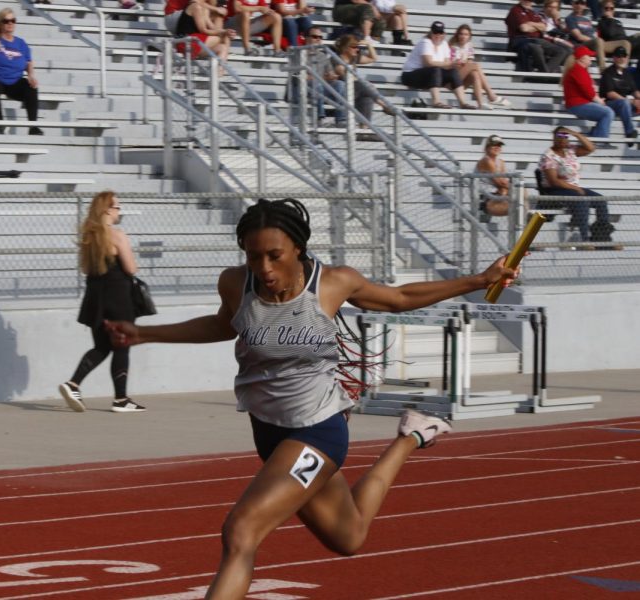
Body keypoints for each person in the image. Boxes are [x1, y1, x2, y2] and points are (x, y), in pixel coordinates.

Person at [104, 197, 518, 598]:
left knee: (241, 531)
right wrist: (145, 333)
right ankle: (412, 435)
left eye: (274, 255)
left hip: (317, 433)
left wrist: (479, 281)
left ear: (297, 248)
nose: (264, 268)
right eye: (253, 257)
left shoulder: (332, 283)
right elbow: (221, 325)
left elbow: (400, 299)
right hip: (269, 435)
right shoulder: (236, 283)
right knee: (349, 536)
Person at [58, 191, 146, 414]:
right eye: (117, 206)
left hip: (95, 298)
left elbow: (87, 269)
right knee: (122, 345)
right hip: (119, 297)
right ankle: (121, 399)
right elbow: (131, 268)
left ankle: (73, 384)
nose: (119, 211)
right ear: (107, 209)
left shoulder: (90, 237)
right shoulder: (116, 235)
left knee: (102, 346)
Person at [538, 126, 614, 243]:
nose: (563, 139)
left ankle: (603, 237)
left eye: (565, 136)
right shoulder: (548, 156)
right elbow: (554, 181)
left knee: (601, 200)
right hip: (556, 189)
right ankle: (585, 239)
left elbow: (591, 148)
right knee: (581, 201)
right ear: (554, 138)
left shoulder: (570, 150)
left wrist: (576, 134)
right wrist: (575, 188)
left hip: (573, 187)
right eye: (559, 136)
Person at [400, 21, 476, 109]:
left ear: (444, 33)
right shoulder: (425, 42)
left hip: (428, 76)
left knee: (452, 72)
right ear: (431, 33)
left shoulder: (443, 44)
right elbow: (428, 63)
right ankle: (436, 102)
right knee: (435, 69)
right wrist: (448, 64)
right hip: (409, 75)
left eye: (440, 32)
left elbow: (447, 65)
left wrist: (452, 64)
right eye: (435, 32)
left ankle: (463, 103)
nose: (438, 35)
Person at [332, 33, 392, 125]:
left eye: (358, 47)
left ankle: (364, 129)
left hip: (355, 90)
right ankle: (383, 105)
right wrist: (365, 84)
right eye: (354, 47)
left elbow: (373, 58)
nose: (357, 49)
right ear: (345, 48)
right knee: (364, 86)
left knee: (367, 97)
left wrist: (368, 44)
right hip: (342, 92)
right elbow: (345, 77)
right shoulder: (336, 59)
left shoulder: (354, 58)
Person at [449, 24, 512, 109]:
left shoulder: (469, 46)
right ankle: (491, 95)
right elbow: (453, 66)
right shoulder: (453, 47)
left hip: (462, 79)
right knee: (476, 65)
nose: (463, 36)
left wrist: (465, 63)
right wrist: (464, 63)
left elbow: (469, 62)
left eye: (466, 34)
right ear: (457, 35)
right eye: (461, 34)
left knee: (475, 73)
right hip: (453, 78)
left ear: (469, 36)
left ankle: (480, 103)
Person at [563, 46, 615, 138]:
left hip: (579, 103)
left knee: (607, 112)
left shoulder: (579, 69)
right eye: (589, 56)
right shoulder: (577, 70)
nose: (591, 57)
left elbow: (587, 90)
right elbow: (587, 90)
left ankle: (594, 135)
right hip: (577, 105)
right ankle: (600, 140)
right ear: (582, 58)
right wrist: (599, 101)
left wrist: (598, 100)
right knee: (608, 112)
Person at [505, 0, 569, 74]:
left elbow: (544, 27)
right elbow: (524, 28)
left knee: (561, 51)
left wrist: (531, 23)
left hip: (537, 39)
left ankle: (545, 73)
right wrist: (537, 27)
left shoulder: (532, 13)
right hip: (521, 40)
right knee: (536, 48)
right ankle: (545, 74)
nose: (529, 1)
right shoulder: (515, 10)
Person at [565, 0, 630, 71]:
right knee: (599, 41)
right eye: (577, 3)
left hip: (596, 43)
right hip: (583, 44)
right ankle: (603, 70)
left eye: (582, 3)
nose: (579, 5)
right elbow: (579, 36)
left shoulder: (587, 19)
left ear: (585, 5)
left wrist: (597, 40)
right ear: (572, 4)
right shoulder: (570, 18)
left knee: (625, 43)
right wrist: (595, 40)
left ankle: (624, 70)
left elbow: (595, 33)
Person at [170, 0, 236, 67]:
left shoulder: (205, 10)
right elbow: (203, 30)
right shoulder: (196, 6)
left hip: (195, 42)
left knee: (223, 47)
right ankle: (217, 69)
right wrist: (223, 31)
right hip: (185, 42)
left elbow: (214, 29)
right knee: (223, 36)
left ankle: (219, 73)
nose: (217, 3)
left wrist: (226, 31)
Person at [599, 46, 640, 146]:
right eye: (619, 56)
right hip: (610, 103)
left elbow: (634, 91)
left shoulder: (627, 73)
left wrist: (638, 99)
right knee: (624, 102)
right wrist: (631, 101)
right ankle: (629, 132)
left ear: (627, 58)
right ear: (614, 58)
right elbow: (610, 93)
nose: (621, 58)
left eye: (624, 56)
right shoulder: (608, 72)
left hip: (624, 105)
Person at [475, 134, 511, 217]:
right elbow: (501, 182)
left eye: (499, 145)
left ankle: (524, 216)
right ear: (487, 147)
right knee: (518, 206)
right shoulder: (486, 160)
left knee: (519, 203)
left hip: (497, 195)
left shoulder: (501, 162)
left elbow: (503, 183)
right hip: (485, 199)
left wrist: (505, 189)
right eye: (494, 145)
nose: (497, 147)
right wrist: (513, 188)